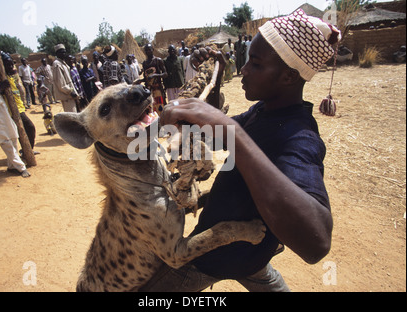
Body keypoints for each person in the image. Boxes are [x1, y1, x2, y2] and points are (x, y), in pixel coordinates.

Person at [140, 9, 340, 292]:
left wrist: (234, 135)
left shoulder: (300, 137)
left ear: (288, 77)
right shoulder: (265, 111)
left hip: (216, 257)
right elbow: (212, 135)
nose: (244, 70)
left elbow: (316, 243)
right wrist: (213, 71)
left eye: (255, 64)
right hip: (249, 251)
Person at [0, 52, 38, 155]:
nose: (11, 66)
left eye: (12, 64)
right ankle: (25, 152)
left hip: (19, 108)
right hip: (10, 110)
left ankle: (28, 150)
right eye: (8, 64)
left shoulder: (10, 76)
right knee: (26, 129)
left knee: (26, 129)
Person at [139, 43, 168, 115]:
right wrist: (141, 80)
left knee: (160, 107)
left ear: (153, 50)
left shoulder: (158, 60)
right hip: (149, 90)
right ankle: (155, 125)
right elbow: (146, 78)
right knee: (151, 109)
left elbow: (165, 74)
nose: (148, 52)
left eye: (149, 49)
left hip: (158, 89)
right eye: (146, 50)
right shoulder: (145, 63)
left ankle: (162, 124)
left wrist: (155, 75)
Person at [52, 44, 79, 113]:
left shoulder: (63, 63)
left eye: (64, 52)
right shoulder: (57, 64)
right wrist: (70, 91)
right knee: (72, 115)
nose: (64, 54)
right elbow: (61, 84)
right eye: (61, 52)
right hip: (67, 96)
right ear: (57, 53)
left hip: (71, 94)